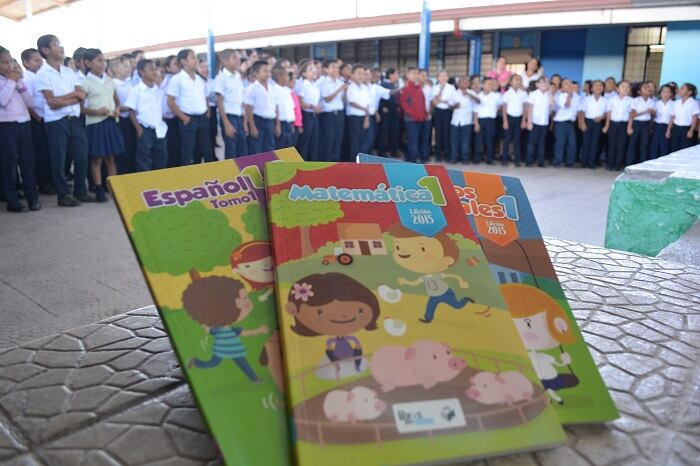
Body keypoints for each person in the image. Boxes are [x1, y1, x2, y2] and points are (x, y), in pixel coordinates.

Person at [35, 34, 95, 206]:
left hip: (74, 119)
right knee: (59, 160)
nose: (61, 47)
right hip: (56, 122)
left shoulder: (69, 72)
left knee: (82, 156)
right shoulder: (42, 74)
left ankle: (80, 192)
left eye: (60, 44)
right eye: (56, 44)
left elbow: (81, 95)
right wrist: (73, 96)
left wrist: (65, 98)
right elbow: (51, 102)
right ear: (45, 50)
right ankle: (63, 195)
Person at [81, 48, 124, 202]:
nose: (103, 63)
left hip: (110, 122)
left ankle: (115, 188)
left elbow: (116, 100)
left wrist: (117, 109)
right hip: (95, 124)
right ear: (88, 63)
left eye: (104, 60)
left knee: (111, 158)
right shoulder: (84, 83)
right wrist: (96, 111)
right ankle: (98, 188)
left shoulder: (109, 81)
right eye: (99, 60)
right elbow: (81, 109)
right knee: (97, 159)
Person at [0, 46, 40, 212]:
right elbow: (2, 101)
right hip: (6, 126)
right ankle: (12, 201)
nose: (10, 66)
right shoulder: (7, 81)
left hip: (24, 123)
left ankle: (33, 199)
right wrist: (11, 82)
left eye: (11, 61)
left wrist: (19, 83)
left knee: (28, 163)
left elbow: (30, 102)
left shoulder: (16, 79)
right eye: (4, 62)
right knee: (9, 165)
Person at [167, 49, 213, 165]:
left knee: (207, 150)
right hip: (188, 119)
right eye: (192, 57)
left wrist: (207, 112)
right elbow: (170, 101)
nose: (196, 60)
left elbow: (206, 97)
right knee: (188, 152)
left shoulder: (199, 79)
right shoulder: (176, 79)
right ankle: (188, 176)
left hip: (203, 117)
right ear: (183, 61)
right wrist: (184, 118)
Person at [126, 59, 168, 172]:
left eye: (155, 69)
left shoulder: (158, 90)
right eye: (151, 69)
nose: (154, 71)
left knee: (161, 158)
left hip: (159, 129)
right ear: (142, 72)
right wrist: (139, 129)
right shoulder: (136, 90)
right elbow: (131, 111)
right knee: (144, 160)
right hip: (145, 128)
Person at [21, 48, 53, 194]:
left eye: (41, 60)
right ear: (26, 63)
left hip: (46, 118)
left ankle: (50, 180)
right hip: (37, 120)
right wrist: (38, 118)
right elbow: (27, 102)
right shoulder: (27, 79)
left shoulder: (41, 76)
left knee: (49, 152)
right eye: (36, 60)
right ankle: (43, 183)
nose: (40, 63)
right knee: (41, 153)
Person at [215, 49, 247, 158]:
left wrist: (244, 122)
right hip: (228, 117)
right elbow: (220, 103)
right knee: (231, 150)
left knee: (242, 150)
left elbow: (242, 101)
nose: (238, 60)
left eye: (239, 58)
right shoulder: (221, 78)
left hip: (239, 117)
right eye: (234, 58)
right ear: (225, 61)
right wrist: (227, 124)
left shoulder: (238, 77)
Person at [244, 59, 277, 154]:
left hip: (270, 121)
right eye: (265, 71)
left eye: (269, 71)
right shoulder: (252, 88)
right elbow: (248, 108)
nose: (268, 74)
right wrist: (252, 126)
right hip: (258, 121)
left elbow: (275, 106)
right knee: (257, 149)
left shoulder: (272, 87)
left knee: (269, 148)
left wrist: (276, 123)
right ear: (256, 73)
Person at [110, 55, 135, 174]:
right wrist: (129, 107)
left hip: (132, 120)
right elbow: (114, 105)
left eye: (129, 66)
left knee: (131, 150)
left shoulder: (130, 84)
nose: (128, 68)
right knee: (122, 152)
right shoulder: (113, 84)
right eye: (125, 66)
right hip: (119, 121)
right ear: (115, 69)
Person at [318, 59, 346, 161]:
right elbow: (327, 99)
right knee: (328, 141)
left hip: (339, 114)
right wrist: (340, 89)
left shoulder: (340, 82)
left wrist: (345, 92)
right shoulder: (323, 82)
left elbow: (342, 99)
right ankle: (327, 164)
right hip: (328, 115)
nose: (336, 69)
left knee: (337, 140)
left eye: (337, 67)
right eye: (333, 67)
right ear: (326, 69)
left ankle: (336, 163)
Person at [602, 80, 633, 171]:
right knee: (611, 145)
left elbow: (631, 115)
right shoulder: (612, 99)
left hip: (624, 124)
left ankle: (617, 165)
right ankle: (610, 164)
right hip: (613, 124)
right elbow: (609, 114)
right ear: (617, 89)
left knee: (621, 146)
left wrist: (629, 127)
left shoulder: (631, 100)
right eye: (623, 86)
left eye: (627, 87)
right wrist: (606, 126)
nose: (625, 88)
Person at [448, 74, 479, 164]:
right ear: (458, 83)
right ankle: (454, 158)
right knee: (454, 141)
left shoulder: (471, 92)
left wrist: (468, 94)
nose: (465, 83)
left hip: (467, 121)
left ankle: (465, 159)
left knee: (465, 142)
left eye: (466, 81)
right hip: (455, 121)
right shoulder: (454, 93)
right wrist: (454, 106)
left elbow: (479, 101)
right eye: (462, 81)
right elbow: (449, 106)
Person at [399, 67, 426, 163]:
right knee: (413, 139)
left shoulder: (418, 88)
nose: (415, 75)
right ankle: (414, 159)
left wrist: (423, 115)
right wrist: (414, 115)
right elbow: (404, 104)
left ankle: (410, 158)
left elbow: (422, 103)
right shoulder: (406, 89)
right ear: (408, 75)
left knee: (416, 139)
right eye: (413, 73)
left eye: (417, 73)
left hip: (419, 119)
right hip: (411, 119)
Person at [295, 60, 321, 160]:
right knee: (304, 143)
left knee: (314, 143)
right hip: (307, 116)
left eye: (314, 68)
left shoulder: (315, 84)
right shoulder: (303, 85)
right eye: (310, 69)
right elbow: (299, 102)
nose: (314, 71)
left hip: (315, 116)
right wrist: (312, 107)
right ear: (304, 74)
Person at [525, 76, 553, 167]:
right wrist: (529, 122)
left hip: (544, 122)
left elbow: (552, 104)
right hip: (534, 121)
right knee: (532, 142)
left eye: (546, 82)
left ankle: (541, 161)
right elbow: (530, 109)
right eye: (542, 82)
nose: (544, 84)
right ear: (537, 84)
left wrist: (550, 92)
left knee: (542, 143)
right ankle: (529, 161)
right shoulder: (533, 94)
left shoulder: (548, 95)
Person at [579, 80, 607, 169]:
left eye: (600, 85)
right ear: (591, 89)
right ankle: (584, 162)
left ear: (603, 88)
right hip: (588, 121)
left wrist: (601, 117)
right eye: (596, 85)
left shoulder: (605, 100)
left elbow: (606, 113)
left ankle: (592, 163)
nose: (598, 87)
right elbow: (582, 112)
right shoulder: (587, 99)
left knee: (595, 143)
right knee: (586, 142)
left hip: (598, 123)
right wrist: (582, 123)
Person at [345, 64, 371, 161]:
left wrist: (367, 118)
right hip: (353, 118)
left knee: (362, 141)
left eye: (363, 74)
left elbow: (367, 103)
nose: (361, 76)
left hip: (363, 117)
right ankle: (354, 164)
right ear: (352, 75)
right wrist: (365, 110)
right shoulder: (350, 87)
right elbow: (352, 102)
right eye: (358, 73)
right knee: (354, 143)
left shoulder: (365, 87)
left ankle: (360, 163)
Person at [501, 73, 528, 166]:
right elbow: (504, 109)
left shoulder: (523, 93)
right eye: (516, 79)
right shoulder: (507, 93)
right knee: (507, 140)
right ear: (511, 82)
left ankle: (517, 160)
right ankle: (504, 160)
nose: (518, 81)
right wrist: (505, 121)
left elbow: (525, 108)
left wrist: (523, 121)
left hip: (519, 118)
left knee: (517, 140)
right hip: (509, 118)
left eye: (519, 80)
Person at [473, 77, 501, 165]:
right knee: (478, 141)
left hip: (491, 121)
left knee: (490, 140)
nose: (490, 85)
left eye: (492, 84)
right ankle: (477, 158)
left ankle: (490, 159)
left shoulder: (496, 96)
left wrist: (494, 111)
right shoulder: (479, 96)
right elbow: (475, 112)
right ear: (483, 85)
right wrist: (476, 123)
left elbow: (500, 106)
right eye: (488, 84)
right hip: (480, 120)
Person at [626, 81, 655, 165]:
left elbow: (654, 115)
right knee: (632, 144)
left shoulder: (652, 101)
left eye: (648, 87)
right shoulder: (635, 100)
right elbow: (632, 115)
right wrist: (629, 127)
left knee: (644, 145)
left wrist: (653, 112)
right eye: (645, 88)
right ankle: (629, 164)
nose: (648, 89)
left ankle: (643, 165)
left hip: (646, 124)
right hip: (636, 124)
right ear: (639, 91)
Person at [429, 70, 455, 162]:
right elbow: (435, 102)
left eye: (445, 76)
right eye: (441, 76)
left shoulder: (451, 88)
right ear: (438, 77)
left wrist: (441, 100)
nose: (443, 78)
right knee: (438, 134)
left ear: (448, 77)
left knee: (447, 134)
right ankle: (438, 155)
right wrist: (441, 90)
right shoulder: (435, 87)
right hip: (438, 112)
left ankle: (447, 155)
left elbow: (451, 102)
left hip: (447, 112)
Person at [552, 78, 578, 167]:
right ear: (562, 88)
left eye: (570, 83)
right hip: (561, 123)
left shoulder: (576, 96)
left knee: (572, 143)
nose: (569, 85)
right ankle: (557, 161)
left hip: (571, 123)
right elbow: (567, 105)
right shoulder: (560, 96)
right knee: (560, 143)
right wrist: (569, 95)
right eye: (566, 84)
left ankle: (570, 162)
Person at [363, 68, 390, 154]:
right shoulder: (363, 87)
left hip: (373, 115)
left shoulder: (374, 86)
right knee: (368, 138)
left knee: (372, 137)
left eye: (378, 76)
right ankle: (362, 157)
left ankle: (368, 155)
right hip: (364, 116)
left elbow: (374, 102)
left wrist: (376, 113)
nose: (376, 78)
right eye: (374, 75)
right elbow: (367, 103)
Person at [161, 55, 181, 167]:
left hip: (178, 117)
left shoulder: (178, 79)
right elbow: (167, 105)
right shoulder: (169, 81)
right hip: (172, 119)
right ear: (168, 68)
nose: (178, 66)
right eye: (175, 64)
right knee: (173, 148)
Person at [669, 83, 698, 152]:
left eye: (682, 88)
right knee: (674, 148)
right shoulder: (676, 102)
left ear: (689, 92)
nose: (680, 90)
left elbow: (694, 118)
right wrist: (669, 129)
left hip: (686, 129)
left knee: (684, 149)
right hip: (676, 128)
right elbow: (673, 117)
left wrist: (691, 130)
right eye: (680, 88)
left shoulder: (693, 103)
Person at [271, 65, 296, 149]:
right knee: (280, 148)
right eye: (286, 75)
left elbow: (291, 108)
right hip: (281, 124)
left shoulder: (287, 90)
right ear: (280, 76)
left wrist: (291, 124)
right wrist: (277, 125)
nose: (288, 78)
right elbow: (276, 108)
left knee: (289, 148)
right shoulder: (274, 90)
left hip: (289, 124)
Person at [198, 58, 218, 156]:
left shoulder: (211, 81)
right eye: (202, 67)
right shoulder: (198, 81)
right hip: (203, 111)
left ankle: (212, 155)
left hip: (212, 110)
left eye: (206, 67)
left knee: (213, 133)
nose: (205, 69)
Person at [378, 67, 400, 157]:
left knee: (394, 132)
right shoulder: (383, 84)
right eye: (396, 74)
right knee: (384, 133)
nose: (398, 76)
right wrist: (382, 107)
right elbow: (378, 97)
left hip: (394, 113)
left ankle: (393, 151)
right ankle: (382, 152)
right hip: (386, 113)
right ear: (391, 75)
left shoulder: (394, 85)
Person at [649, 84, 674, 159]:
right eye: (663, 92)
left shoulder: (674, 104)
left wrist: (669, 130)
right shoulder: (656, 103)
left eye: (668, 92)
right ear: (660, 93)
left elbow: (673, 117)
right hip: (657, 126)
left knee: (664, 146)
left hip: (668, 126)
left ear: (671, 94)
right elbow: (652, 117)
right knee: (654, 145)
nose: (666, 94)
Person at [418, 69, 432, 161]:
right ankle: (417, 155)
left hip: (427, 116)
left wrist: (429, 113)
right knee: (417, 137)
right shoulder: (414, 87)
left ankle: (425, 155)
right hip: (416, 117)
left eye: (425, 75)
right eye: (422, 75)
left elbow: (431, 102)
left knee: (425, 137)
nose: (424, 77)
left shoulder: (429, 88)